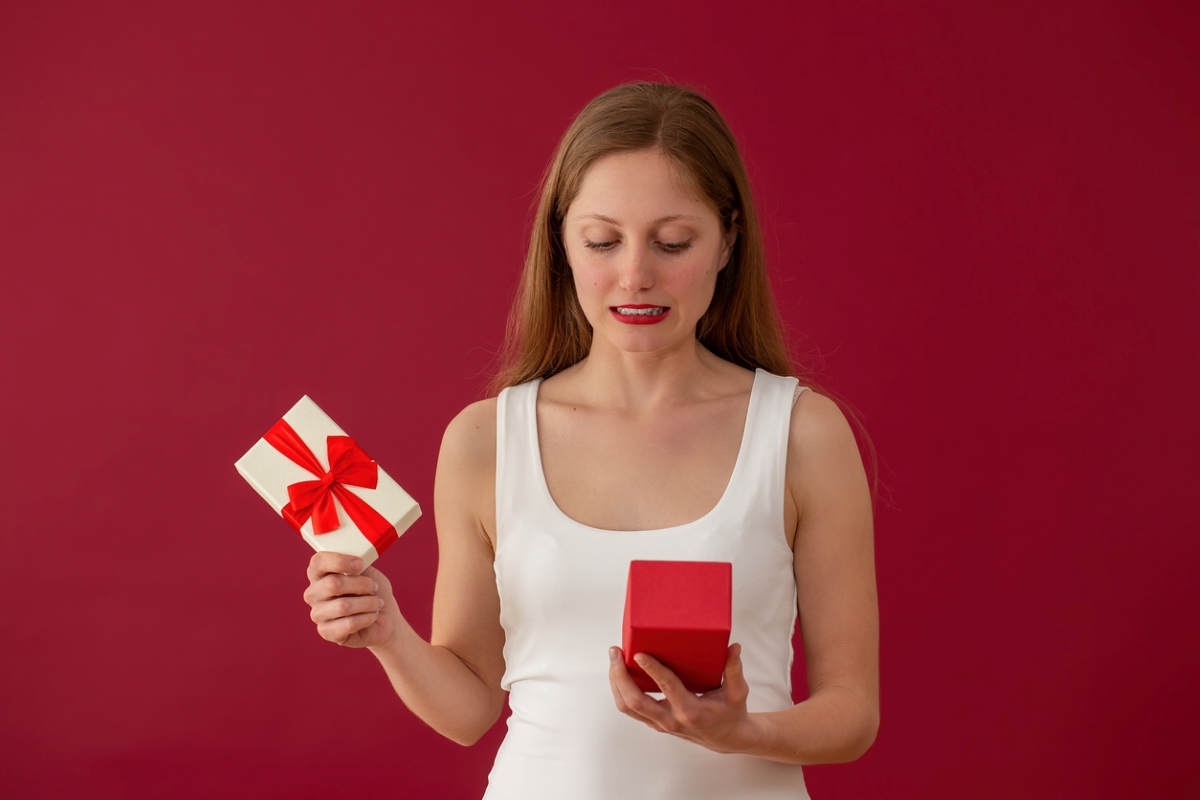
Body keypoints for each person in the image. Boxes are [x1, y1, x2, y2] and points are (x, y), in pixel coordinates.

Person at [303, 80, 879, 798]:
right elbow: (471, 707)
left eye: (674, 242)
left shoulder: (802, 433)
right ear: (562, 245)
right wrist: (387, 632)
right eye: (603, 241)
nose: (635, 275)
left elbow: (853, 712)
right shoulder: (486, 441)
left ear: (729, 240)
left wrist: (745, 733)